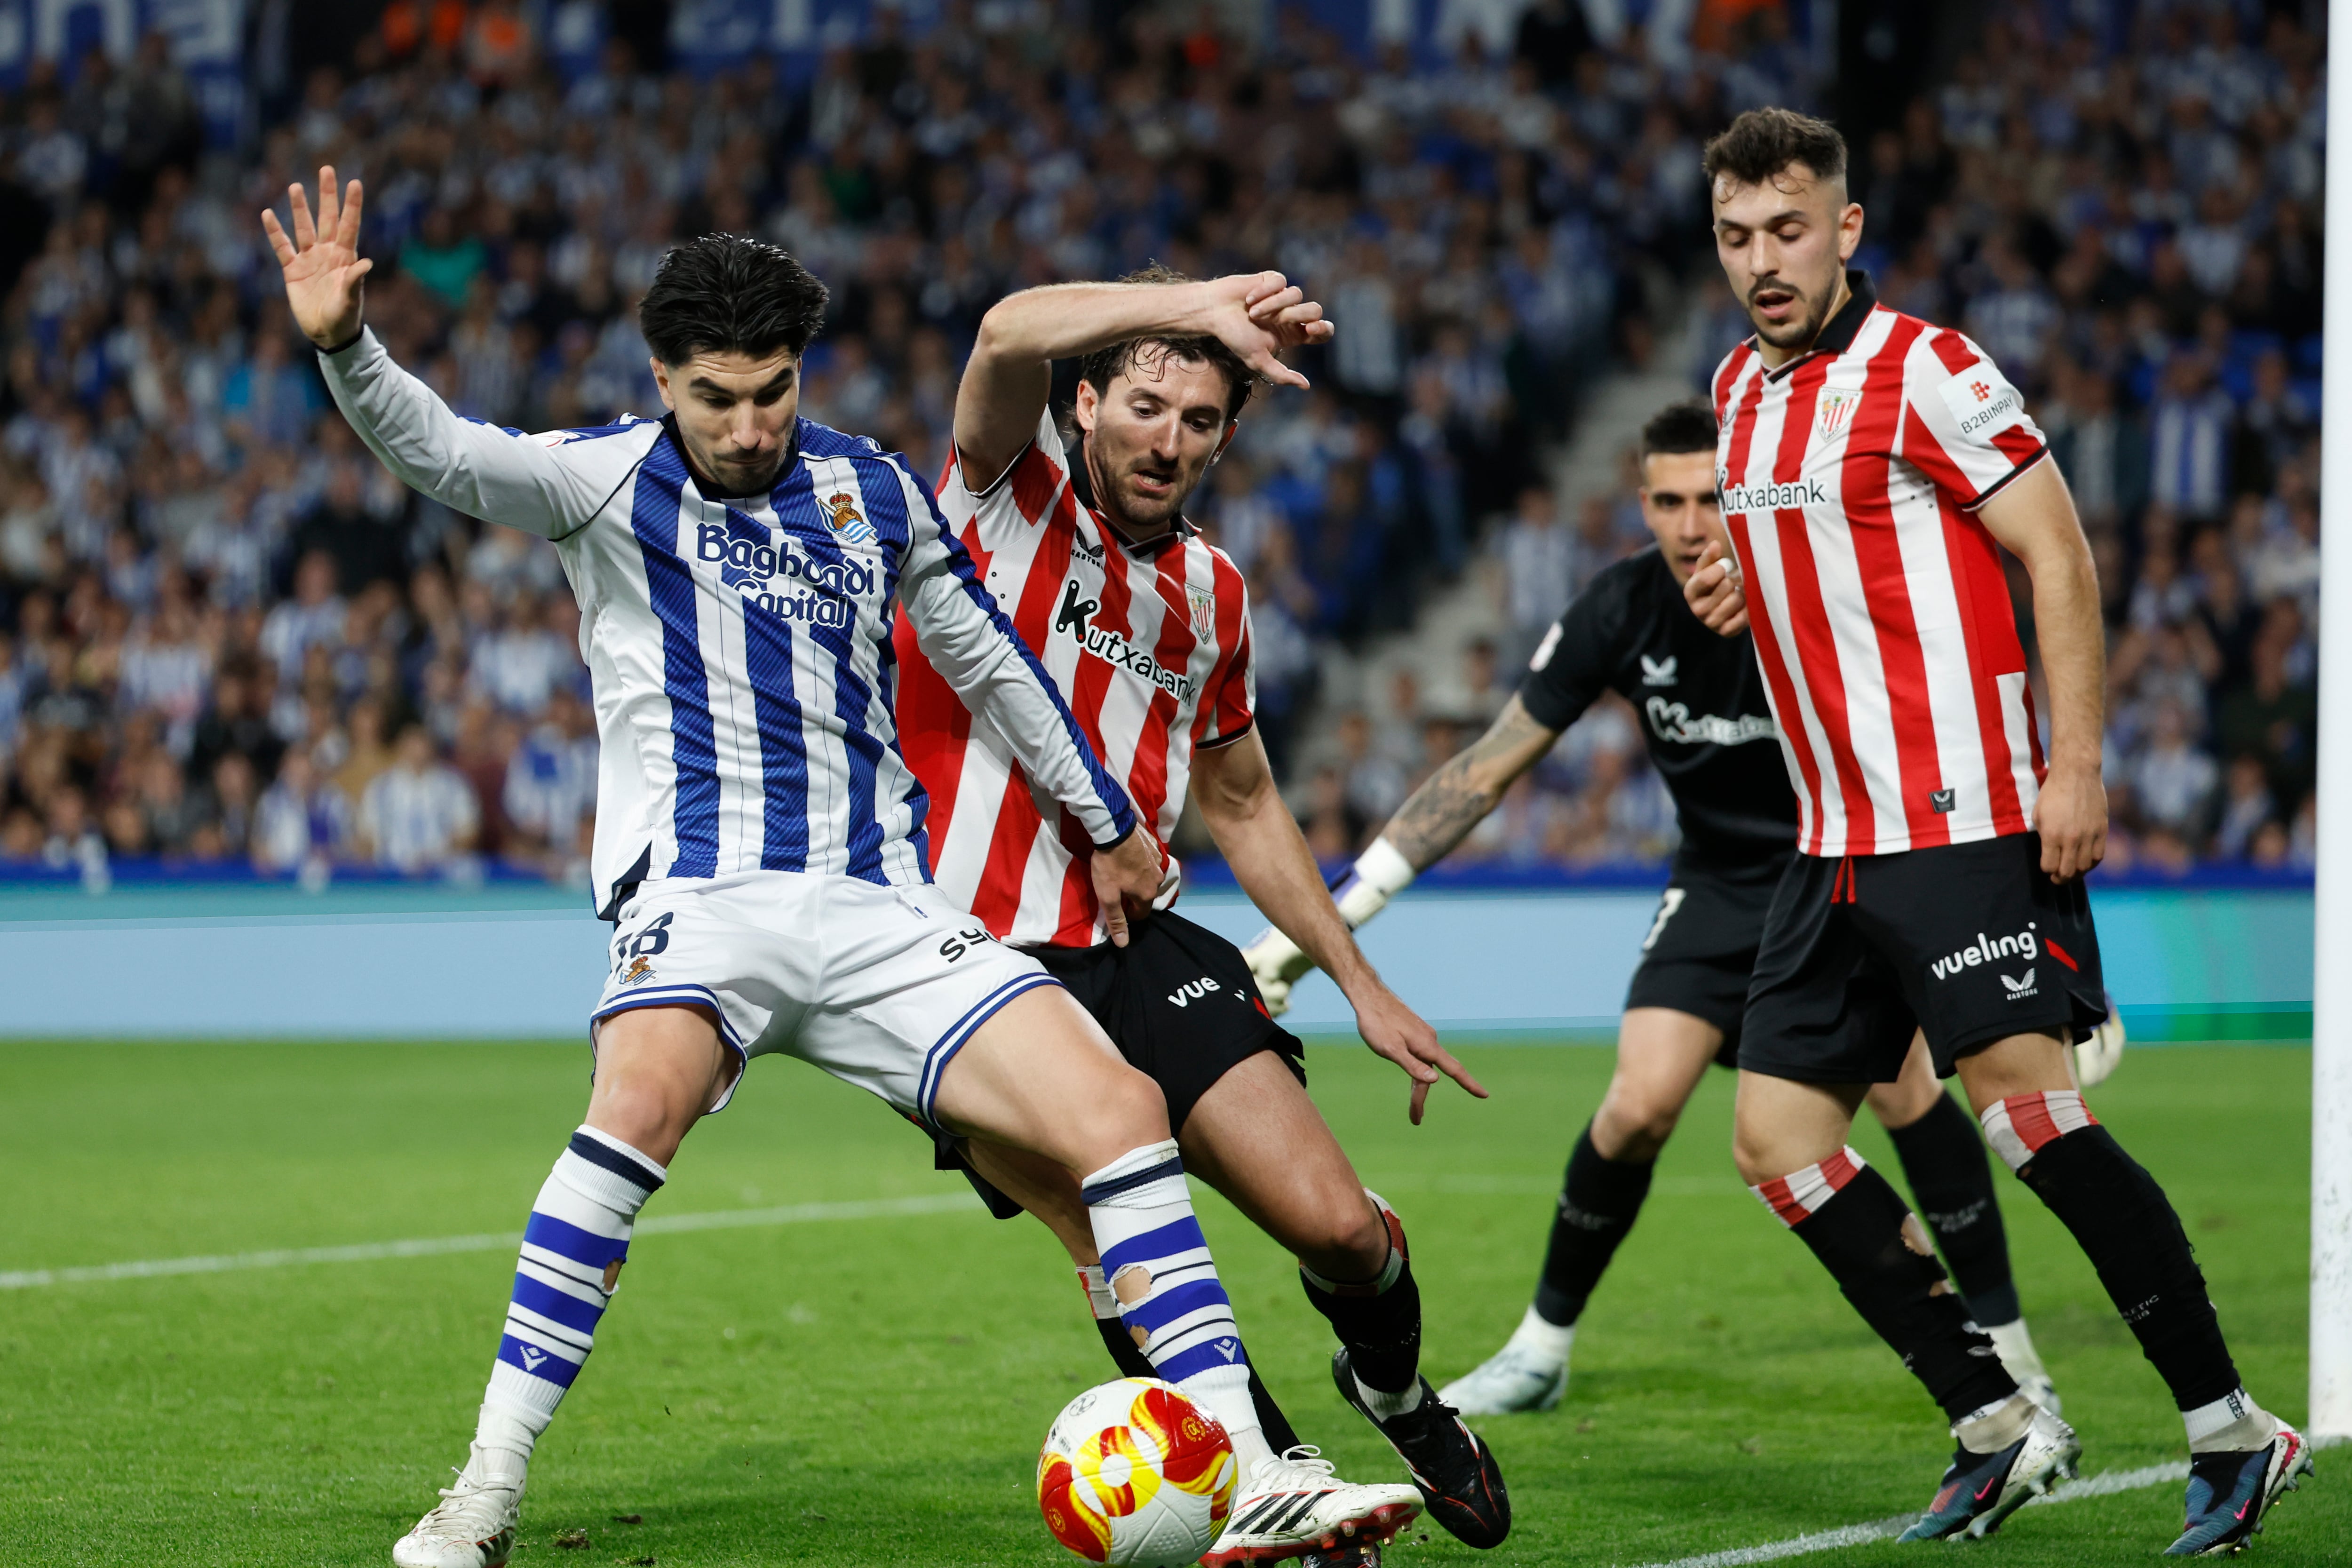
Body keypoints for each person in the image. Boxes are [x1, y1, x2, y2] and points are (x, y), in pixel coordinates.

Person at [264, 170, 1322, 1568]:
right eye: (716, 395)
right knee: (632, 1107)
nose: (749, 423)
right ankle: (483, 1492)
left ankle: (1249, 1467)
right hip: (706, 904)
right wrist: (346, 342)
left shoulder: (868, 486)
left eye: (772, 390)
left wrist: (1107, 813)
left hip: (882, 908)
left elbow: (982, 658)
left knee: (1123, 1109)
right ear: (663, 380)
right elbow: (445, 451)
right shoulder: (602, 482)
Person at [1676, 110, 2308, 1551]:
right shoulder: (1734, 390)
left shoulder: (1931, 367)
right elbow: (1810, 560)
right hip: (1830, 839)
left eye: (1788, 230)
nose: (1762, 263)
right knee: (1778, 1143)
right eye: (1735, 237)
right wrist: (1739, 589)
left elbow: (2058, 548)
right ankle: (2000, 1418)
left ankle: (2230, 1424)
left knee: (2028, 1119)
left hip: (1960, 817)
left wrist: (2072, 766)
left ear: (1845, 228)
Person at [1250, 399, 2077, 1424]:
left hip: (1836, 872)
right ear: (1641, 503)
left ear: (1749, 499)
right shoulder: (1619, 609)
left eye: (1713, 499)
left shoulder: (1812, 598)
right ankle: (1540, 1348)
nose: (1692, 524)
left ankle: (2010, 1352)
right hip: (1715, 883)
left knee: (1905, 1094)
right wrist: (1339, 913)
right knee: (1637, 1104)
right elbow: (1484, 766)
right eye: (1670, 501)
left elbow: (1937, 724)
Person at [892, 267, 1508, 1562]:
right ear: (1087, 402)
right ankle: (1274, 1474)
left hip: (1137, 946)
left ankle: (1390, 1389)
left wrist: (1359, 978)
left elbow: (1242, 798)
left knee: (1340, 1226)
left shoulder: (1215, 594)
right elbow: (1001, 330)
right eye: (1144, 404)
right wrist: (1198, 308)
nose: (1167, 439)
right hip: (967, 967)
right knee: (1108, 1224)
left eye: (1199, 420)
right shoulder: (1002, 503)